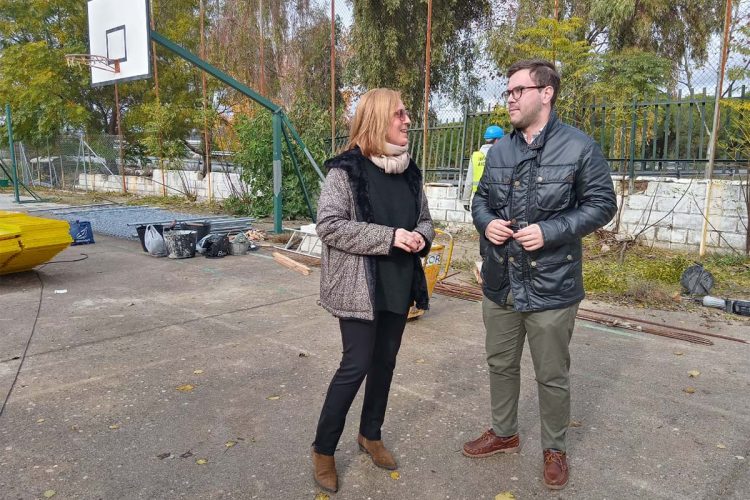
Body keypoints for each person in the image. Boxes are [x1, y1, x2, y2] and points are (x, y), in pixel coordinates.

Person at [464, 59, 617, 490]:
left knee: (551, 374)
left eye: (518, 90)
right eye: (507, 92)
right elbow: (480, 201)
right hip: (500, 281)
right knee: (500, 363)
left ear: (546, 93)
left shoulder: (579, 148)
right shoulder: (499, 151)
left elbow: (602, 204)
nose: (510, 98)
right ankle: (504, 432)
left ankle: (554, 447)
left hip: (552, 284)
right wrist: (485, 222)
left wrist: (550, 231)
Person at [311, 88, 435, 493]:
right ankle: (324, 449)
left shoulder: (410, 171)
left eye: (405, 114)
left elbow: (425, 221)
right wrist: (390, 236)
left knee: (385, 363)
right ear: (379, 119)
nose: (406, 121)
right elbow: (329, 225)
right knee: (356, 365)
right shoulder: (344, 171)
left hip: (399, 283)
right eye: (399, 114)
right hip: (358, 287)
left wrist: (419, 237)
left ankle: (370, 434)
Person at [462, 124, 504, 212]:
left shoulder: (475, 156)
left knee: (481, 223)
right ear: (497, 140)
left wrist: (466, 200)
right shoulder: (502, 155)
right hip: (497, 196)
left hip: (479, 196)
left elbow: (469, 180)